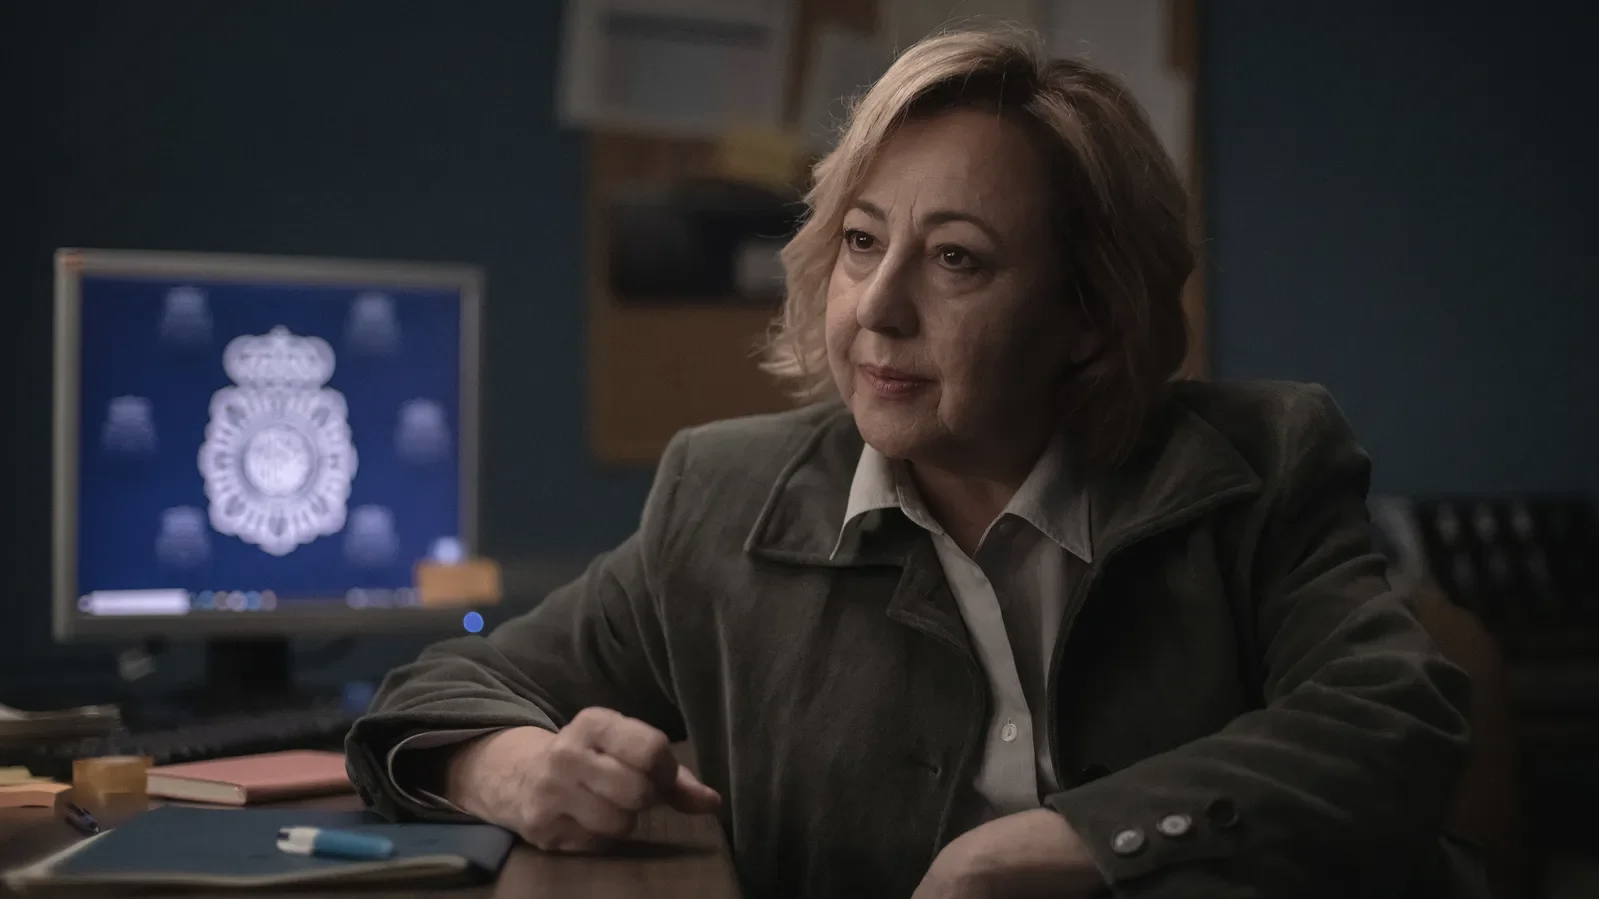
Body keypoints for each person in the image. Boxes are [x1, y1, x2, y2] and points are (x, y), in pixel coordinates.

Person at [347, 28, 1475, 899]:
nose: (878, 308)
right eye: (860, 242)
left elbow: (1392, 718)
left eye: (955, 260)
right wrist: (508, 768)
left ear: (1089, 314)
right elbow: (440, 691)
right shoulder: (722, 498)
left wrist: (1073, 839)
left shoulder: (1263, 462)